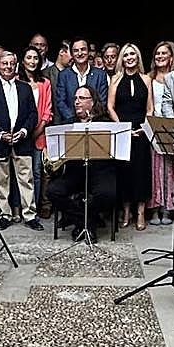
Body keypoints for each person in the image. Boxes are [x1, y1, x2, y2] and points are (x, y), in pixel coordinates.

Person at [47, 86, 117, 242]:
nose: (77, 102)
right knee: (53, 191)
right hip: (75, 171)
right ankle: (86, 222)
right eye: (76, 98)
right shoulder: (68, 124)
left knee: (108, 193)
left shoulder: (105, 123)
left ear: (92, 102)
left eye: (82, 98)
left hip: (100, 171)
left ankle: (80, 220)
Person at [0, 50, 41, 230]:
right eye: (4, 63)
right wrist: (0, 134)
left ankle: (30, 216)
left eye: (11, 63)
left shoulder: (25, 88)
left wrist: (23, 131)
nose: (8, 67)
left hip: (22, 141)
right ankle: (4, 215)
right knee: (0, 181)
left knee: (27, 180)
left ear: (16, 65)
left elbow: (33, 114)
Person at [108, 43, 154, 231]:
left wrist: (144, 127)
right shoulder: (115, 79)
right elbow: (110, 107)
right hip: (123, 132)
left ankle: (140, 212)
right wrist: (123, 128)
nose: (129, 58)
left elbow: (150, 108)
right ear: (122, 59)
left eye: (132, 54)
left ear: (138, 57)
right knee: (124, 172)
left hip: (141, 132)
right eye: (126, 55)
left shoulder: (147, 79)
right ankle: (126, 212)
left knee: (141, 172)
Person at [147, 40, 174, 224]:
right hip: (154, 128)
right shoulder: (148, 78)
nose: (160, 56)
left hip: (172, 127)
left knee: (170, 169)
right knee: (155, 169)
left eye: (164, 53)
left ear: (171, 57)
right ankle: (155, 208)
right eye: (158, 53)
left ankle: (168, 209)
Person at [21, 46, 53, 212]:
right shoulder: (17, 81)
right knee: (23, 173)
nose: (32, 61)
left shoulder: (45, 82)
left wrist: (38, 130)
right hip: (21, 134)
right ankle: (24, 206)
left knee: (37, 171)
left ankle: (37, 206)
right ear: (22, 61)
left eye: (35, 58)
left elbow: (48, 110)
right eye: (29, 57)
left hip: (39, 133)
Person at [55, 38, 109, 123]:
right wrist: (75, 121)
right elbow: (61, 102)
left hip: (95, 124)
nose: (80, 53)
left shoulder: (100, 75)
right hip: (70, 124)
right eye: (76, 50)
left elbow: (102, 101)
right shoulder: (63, 75)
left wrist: (90, 119)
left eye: (83, 49)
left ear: (89, 52)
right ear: (72, 54)